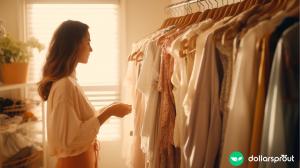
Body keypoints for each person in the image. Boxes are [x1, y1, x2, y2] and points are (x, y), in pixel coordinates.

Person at [38, 20, 132, 168]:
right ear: (74, 45)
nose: (91, 49)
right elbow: (70, 140)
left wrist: (110, 107)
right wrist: (110, 111)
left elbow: (80, 123)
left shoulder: (70, 81)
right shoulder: (65, 85)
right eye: (88, 42)